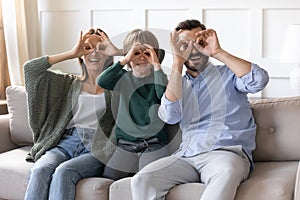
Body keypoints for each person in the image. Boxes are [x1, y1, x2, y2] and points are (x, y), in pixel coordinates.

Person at [131, 19, 269, 200]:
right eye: (185, 45)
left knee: (227, 171)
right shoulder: (177, 85)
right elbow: (170, 116)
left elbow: (259, 80)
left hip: (225, 153)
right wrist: (177, 63)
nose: (193, 50)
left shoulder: (229, 75)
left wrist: (218, 52)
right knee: (141, 180)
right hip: (187, 156)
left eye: (199, 42)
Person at [23, 28, 122, 200]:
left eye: (100, 47)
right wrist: (70, 53)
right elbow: (30, 69)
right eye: (87, 48)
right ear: (81, 54)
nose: (93, 52)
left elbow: (146, 68)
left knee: (64, 172)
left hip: (96, 148)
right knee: (39, 170)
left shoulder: (119, 86)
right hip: (65, 143)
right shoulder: (66, 83)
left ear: (107, 54)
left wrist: (119, 52)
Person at [97, 29, 169, 180]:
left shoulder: (159, 78)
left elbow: (163, 95)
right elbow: (102, 81)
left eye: (147, 53)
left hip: (154, 143)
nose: (142, 58)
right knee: (108, 176)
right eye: (136, 53)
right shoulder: (122, 79)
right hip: (125, 144)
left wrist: (156, 64)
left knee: (145, 178)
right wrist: (124, 60)